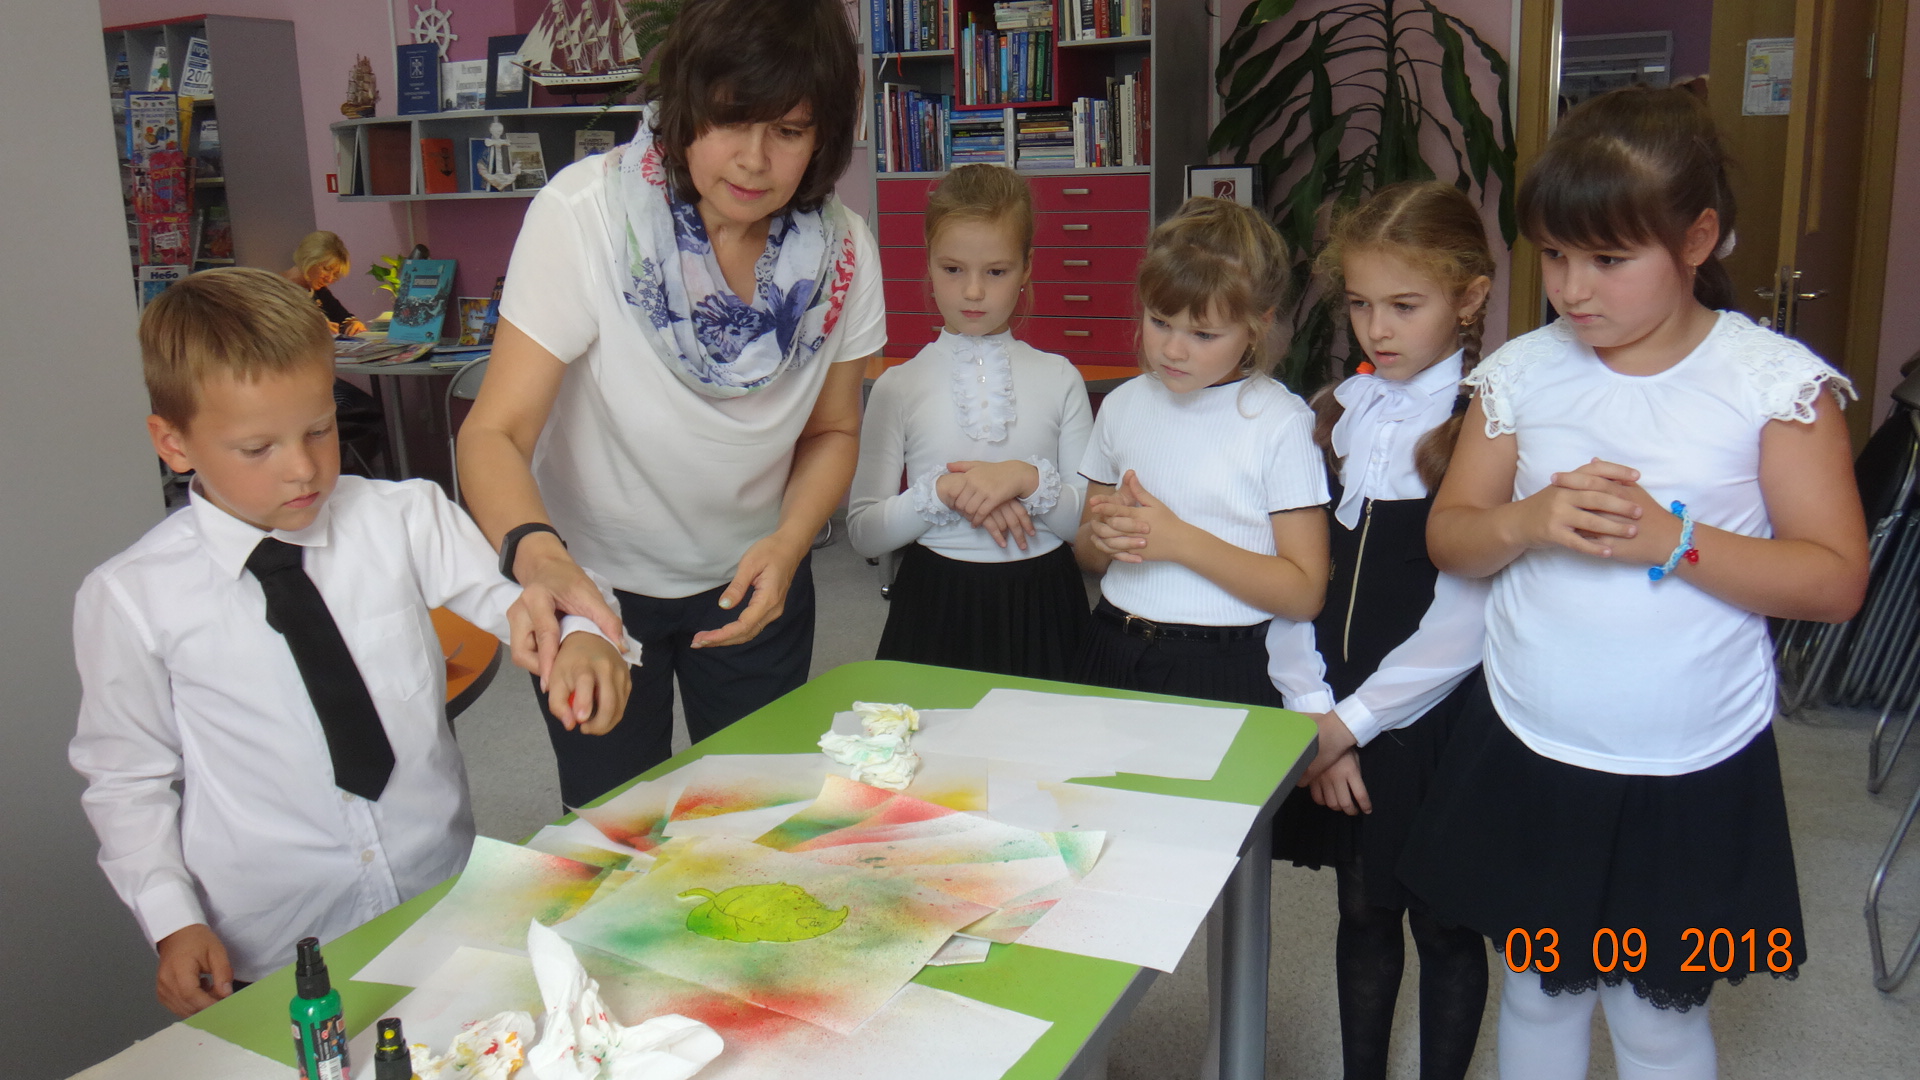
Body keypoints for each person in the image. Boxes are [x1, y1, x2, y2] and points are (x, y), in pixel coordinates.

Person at [1398, 87, 1870, 1078]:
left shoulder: (1771, 385)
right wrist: (1528, 520)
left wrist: (1670, 538)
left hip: (1690, 755)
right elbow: (1451, 538)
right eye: (1555, 256)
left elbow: (1833, 582)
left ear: (1697, 238)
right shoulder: (1523, 373)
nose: (1574, 289)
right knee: (1537, 992)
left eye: (1609, 260)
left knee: (1654, 1017)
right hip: (1533, 736)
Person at [69, 268, 636, 1017]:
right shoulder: (130, 597)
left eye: (320, 429)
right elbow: (125, 780)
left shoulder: (403, 517)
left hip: (441, 893)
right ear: (173, 444)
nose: (303, 468)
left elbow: (526, 598)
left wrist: (585, 636)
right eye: (257, 448)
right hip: (272, 942)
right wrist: (172, 918)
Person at [456, 0, 884, 808]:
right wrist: (543, 562)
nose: (754, 159)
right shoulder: (586, 216)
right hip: (596, 584)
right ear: (687, 105)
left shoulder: (844, 251)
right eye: (730, 119)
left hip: (755, 577)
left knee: (758, 817)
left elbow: (833, 428)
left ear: (824, 136)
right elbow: (494, 433)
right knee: (615, 825)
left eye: (788, 131)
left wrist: (791, 542)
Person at [1265, 181, 1495, 1080]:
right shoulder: (1332, 411)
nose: (1377, 328)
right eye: (1360, 304)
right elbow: (1295, 580)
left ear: (1468, 298)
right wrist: (1315, 713)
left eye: (1405, 305)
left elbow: (1464, 622)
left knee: (1443, 922)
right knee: (1361, 909)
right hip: (1334, 706)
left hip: (1428, 716)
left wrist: (1350, 724)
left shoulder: (1483, 428)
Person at [1074, 197, 1329, 705]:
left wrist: (1178, 541)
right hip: (1112, 642)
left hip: (1222, 665)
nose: (1173, 349)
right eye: (1159, 321)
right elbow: (1087, 555)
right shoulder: (1121, 405)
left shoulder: (1280, 422)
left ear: (1257, 325)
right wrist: (1106, 534)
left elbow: (1304, 593)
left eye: (1203, 334)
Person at [847, 165, 1093, 678]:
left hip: (1044, 603)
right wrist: (944, 492)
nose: (974, 291)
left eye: (996, 271)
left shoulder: (1061, 378)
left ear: (1027, 268)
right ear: (929, 264)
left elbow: (1086, 527)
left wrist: (1026, 480)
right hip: (936, 602)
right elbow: (865, 532)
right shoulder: (898, 386)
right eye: (953, 269)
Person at [283, 230, 364, 336]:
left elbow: (341, 315)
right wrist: (315, 327)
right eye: (326, 269)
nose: (329, 279)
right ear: (308, 259)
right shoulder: (276, 288)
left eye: (335, 274)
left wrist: (352, 325)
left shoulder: (318, 290)